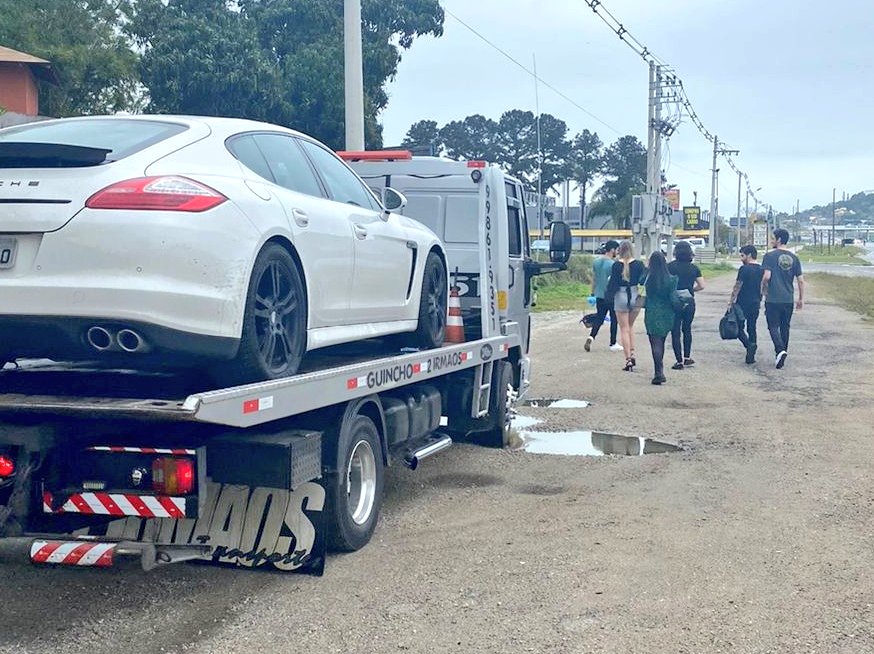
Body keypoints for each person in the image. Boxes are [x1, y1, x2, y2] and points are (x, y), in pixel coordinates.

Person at [761, 228, 804, 369]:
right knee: (785, 327)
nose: (771, 240)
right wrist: (801, 299)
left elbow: (767, 276)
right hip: (788, 298)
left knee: (773, 326)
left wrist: (762, 288)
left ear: (779, 240)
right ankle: (781, 355)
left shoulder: (769, 256)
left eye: (773, 238)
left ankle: (779, 350)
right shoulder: (795, 258)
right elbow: (801, 280)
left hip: (773, 298)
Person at [606, 240, 646, 371]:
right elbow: (644, 279)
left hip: (621, 295)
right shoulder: (639, 264)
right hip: (635, 294)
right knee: (630, 326)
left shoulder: (616, 265)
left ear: (620, 250)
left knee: (624, 328)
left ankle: (628, 359)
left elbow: (612, 284)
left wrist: (608, 297)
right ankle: (633, 352)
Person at [667, 240, 704, 370]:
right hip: (689, 301)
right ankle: (687, 357)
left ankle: (679, 361)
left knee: (675, 330)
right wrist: (691, 290)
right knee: (687, 329)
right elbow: (702, 285)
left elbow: (666, 284)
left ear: (676, 252)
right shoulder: (694, 268)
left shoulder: (670, 266)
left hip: (674, 301)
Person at [643, 251, 677, 385]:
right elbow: (673, 297)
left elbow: (639, 280)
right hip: (667, 312)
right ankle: (659, 371)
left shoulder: (648, 277)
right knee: (661, 341)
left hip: (652, 311)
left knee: (655, 342)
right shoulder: (672, 279)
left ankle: (659, 371)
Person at [727, 245, 764, 364]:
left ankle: (748, 345)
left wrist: (731, 301)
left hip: (742, 303)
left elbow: (738, 285)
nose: (741, 258)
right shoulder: (761, 269)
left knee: (737, 327)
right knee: (752, 327)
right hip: (755, 302)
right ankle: (751, 355)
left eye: (742, 255)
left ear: (749, 255)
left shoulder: (744, 269)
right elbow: (764, 287)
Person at [585, 240, 622, 352]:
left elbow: (594, 279)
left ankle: (591, 336)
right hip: (610, 295)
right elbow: (614, 281)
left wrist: (592, 293)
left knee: (600, 318)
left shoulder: (596, 262)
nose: (617, 252)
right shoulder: (612, 264)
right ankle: (613, 342)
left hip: (599, 294)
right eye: (616, 250)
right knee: (614, 319)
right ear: (612, 250)